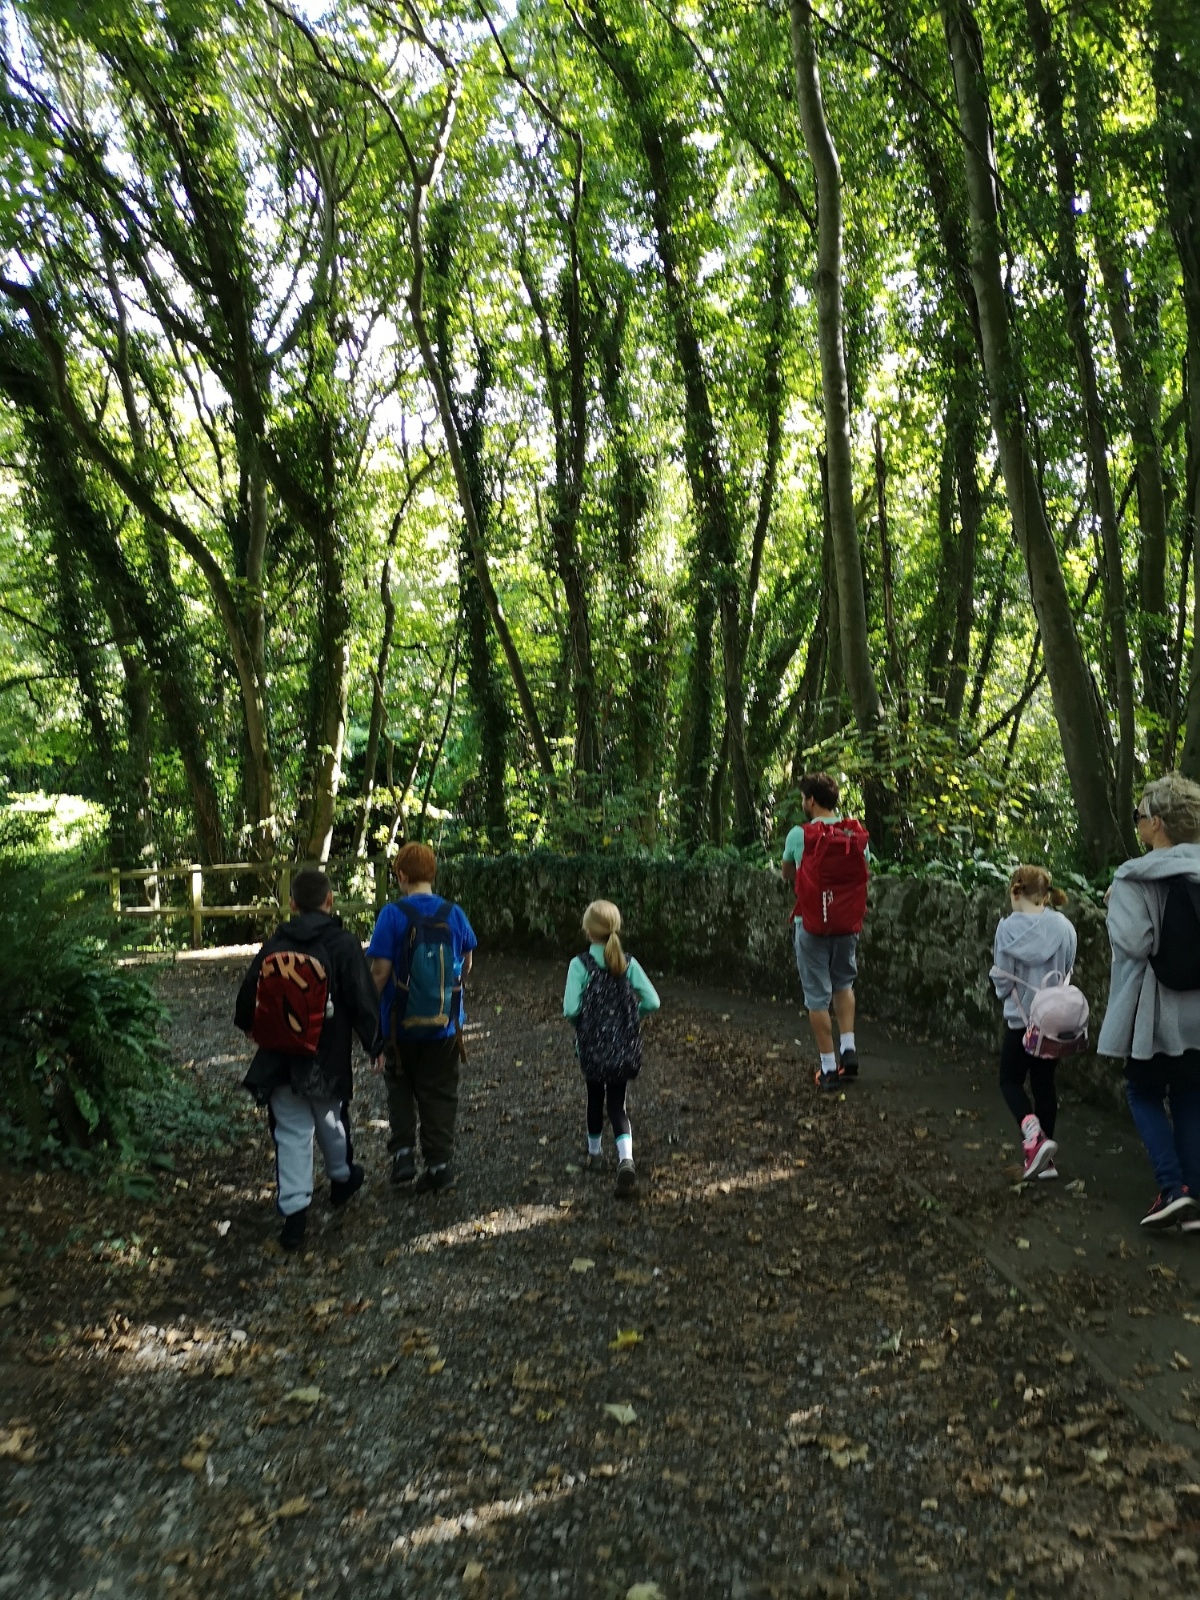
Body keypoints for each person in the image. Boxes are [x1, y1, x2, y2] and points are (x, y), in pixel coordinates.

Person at [235, 865, 382, 1252]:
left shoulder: (276, 941)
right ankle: (342, 1179)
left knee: (291, 1132)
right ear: (330, 901)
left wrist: (249, 1025)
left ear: (292, 904)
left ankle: (295, 1217)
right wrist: (375, 1044)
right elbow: (362, 997)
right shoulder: (343, 943)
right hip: (326, 1055)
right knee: (331, 1120)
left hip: (280, 1054)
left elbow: (249, 989)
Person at [1099, 772, 1200, 1230]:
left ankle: (1171, 1188)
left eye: (1139, 815)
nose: (1137, 821)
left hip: (1155, 1010)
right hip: (1197, 1009)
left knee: (1142, 1091)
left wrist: (1115, 904)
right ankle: (1192, 1192)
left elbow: (1135, 942)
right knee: (1190, 1094)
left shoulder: (1134, 876)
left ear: (1157, 822)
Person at [367, 842, 477, 1194]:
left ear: (401, 875)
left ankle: (403, 1155)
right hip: (445, 1025)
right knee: (440, 1092)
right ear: (432, 873)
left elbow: (381, 970)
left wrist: (366, 1007)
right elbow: (466, 962)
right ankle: (438, 1166)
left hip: (399, 1025)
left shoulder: (392, 914)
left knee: (399, 1086)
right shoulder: (454, 913)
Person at [563, 899, 660, 1197]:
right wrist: (630, 1017)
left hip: (592, 1046)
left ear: (587, 930)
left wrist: (585, 1025)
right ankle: (625, 1159)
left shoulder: (580, 965)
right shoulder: (627, 963)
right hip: (623, 1047)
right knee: (617, 1105)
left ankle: (594, 1155)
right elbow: (653, 1001)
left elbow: (570, 1009)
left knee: (594, 1099)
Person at [782, 772, 870, 1092]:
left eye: (803, 798)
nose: (802, 803)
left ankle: (829, 1069)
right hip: (846, 924)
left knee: (817, 997)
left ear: (811, 801)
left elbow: (787, 873)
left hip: (810, 924)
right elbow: (864, 870)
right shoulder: (853, 833)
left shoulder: (799, 835)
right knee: (843, 983)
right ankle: (849, 1048)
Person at [989, 866, 1077, 1181]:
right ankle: (1046, 1163)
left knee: (1010, 1080)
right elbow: (1068, 966)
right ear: (1045, 895)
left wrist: (1008, 995)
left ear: (1016, 891)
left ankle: (1032, 1133)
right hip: (1052, 1021)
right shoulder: (1064, 927)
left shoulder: (1007, 929)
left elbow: (1002, 978)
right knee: (1044, 1085)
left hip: (1021, 1021)